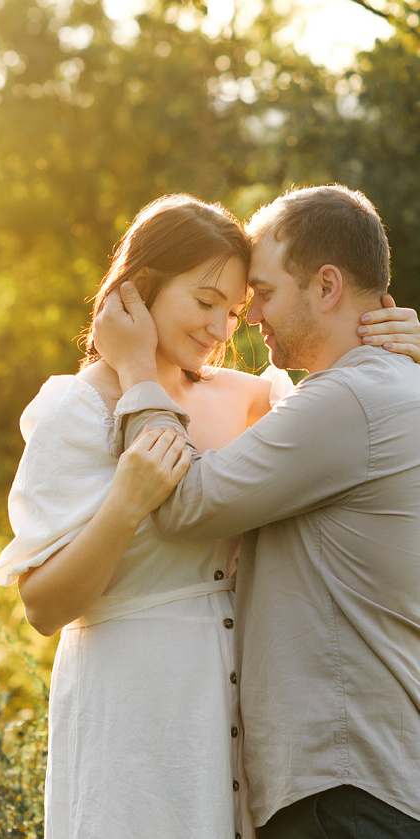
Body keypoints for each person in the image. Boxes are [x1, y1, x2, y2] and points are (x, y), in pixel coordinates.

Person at [92, 184, 420, 839]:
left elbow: (181, 503)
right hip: (368, 783)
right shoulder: (392, 386)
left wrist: (136, 372)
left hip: (340, 789)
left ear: (325, 286)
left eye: (262, 294)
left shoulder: (346, 402)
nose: (248, 320)